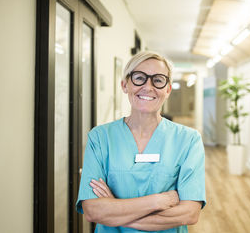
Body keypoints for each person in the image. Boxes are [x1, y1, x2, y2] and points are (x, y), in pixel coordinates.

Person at [76, 51, 206, 232]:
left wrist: (114, 210)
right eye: (139, 78)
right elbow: (93, 210)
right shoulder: (100, 138)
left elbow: (189, 213)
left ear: (167, 89)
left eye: (158, 80)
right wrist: (157, 201)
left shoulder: (188, 140)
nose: (148, 87)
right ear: (124, 85)